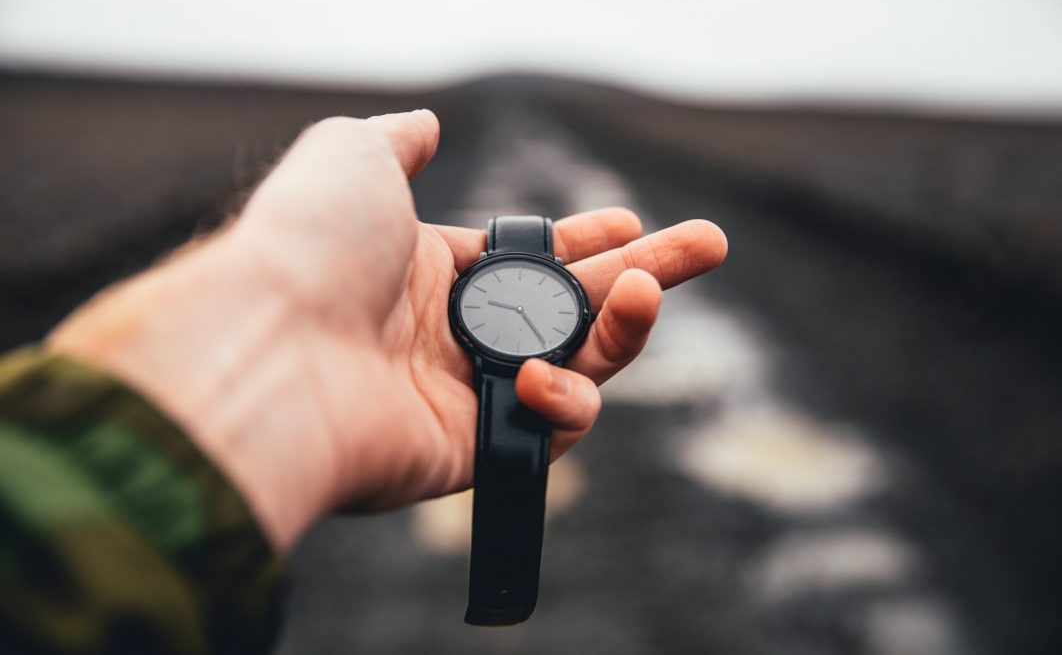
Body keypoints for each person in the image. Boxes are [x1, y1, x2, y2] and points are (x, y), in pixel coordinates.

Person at [0, 110, 728, 654]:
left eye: (533, 302)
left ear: (565, 317)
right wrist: (279, 303)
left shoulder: (476, 300)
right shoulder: (475, 310)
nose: (507, 304)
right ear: (462, 307)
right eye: (496, 300)